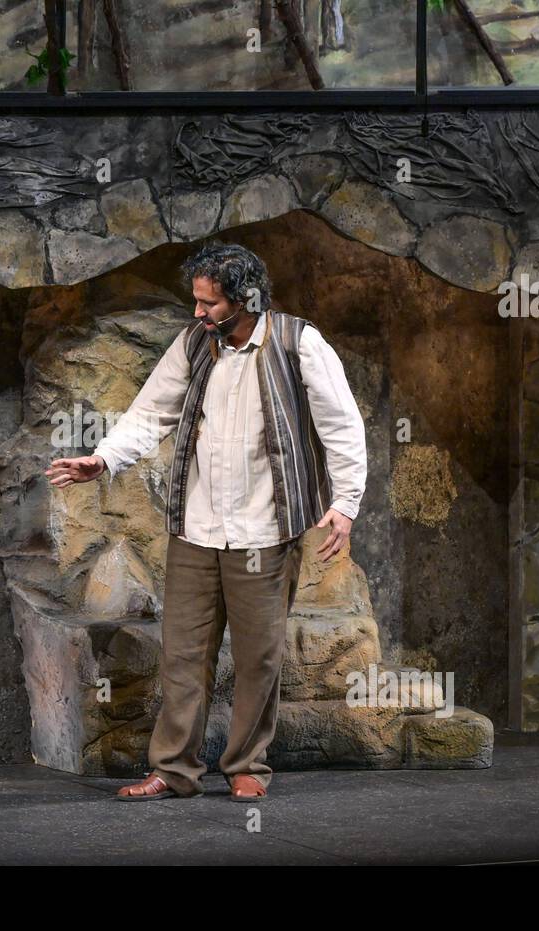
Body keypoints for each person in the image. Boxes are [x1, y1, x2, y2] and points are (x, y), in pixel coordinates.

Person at [45, 242, 367, 802]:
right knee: (183, 656)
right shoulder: (196, 343)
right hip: (196, 528)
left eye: (209, 304)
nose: (197, 313)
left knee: (258, 657)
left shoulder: (297, 342)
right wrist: (104, 459)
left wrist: (345, 504)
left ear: (247, 299)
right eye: (196, 301)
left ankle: (245, 763)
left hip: (265, 532)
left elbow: (342, 424)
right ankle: (173, 770)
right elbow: (152, 411)